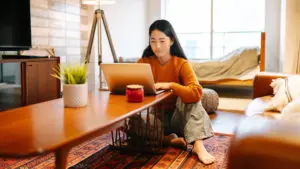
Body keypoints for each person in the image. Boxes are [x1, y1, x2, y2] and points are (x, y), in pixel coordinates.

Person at [136, 19, 215, 164]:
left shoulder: (181, 63)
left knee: (190, 98)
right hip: (154, 119)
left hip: (179, 119)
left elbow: (197, 92)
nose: (157, 46)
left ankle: (198, 145)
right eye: (153, 41)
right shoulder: (143, 62)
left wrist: (171, 85)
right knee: (129, 120)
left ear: (171, 40)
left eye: (162, 41)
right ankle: (166, 139)